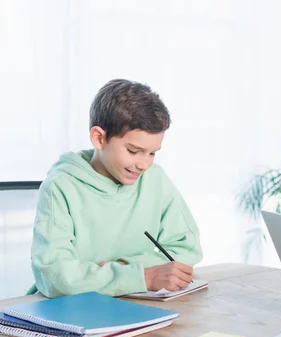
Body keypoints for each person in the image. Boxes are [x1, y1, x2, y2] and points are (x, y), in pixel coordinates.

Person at [29, 79, 202, 298]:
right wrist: (144, 276)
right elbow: (56, 276)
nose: (144, 164)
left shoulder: (155, 178)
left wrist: (127, 269)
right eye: (133, 151)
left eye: (152, 153)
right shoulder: (60, 187)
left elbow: (188, 250)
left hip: (138, 304)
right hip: (70, 310)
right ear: (99, 138)